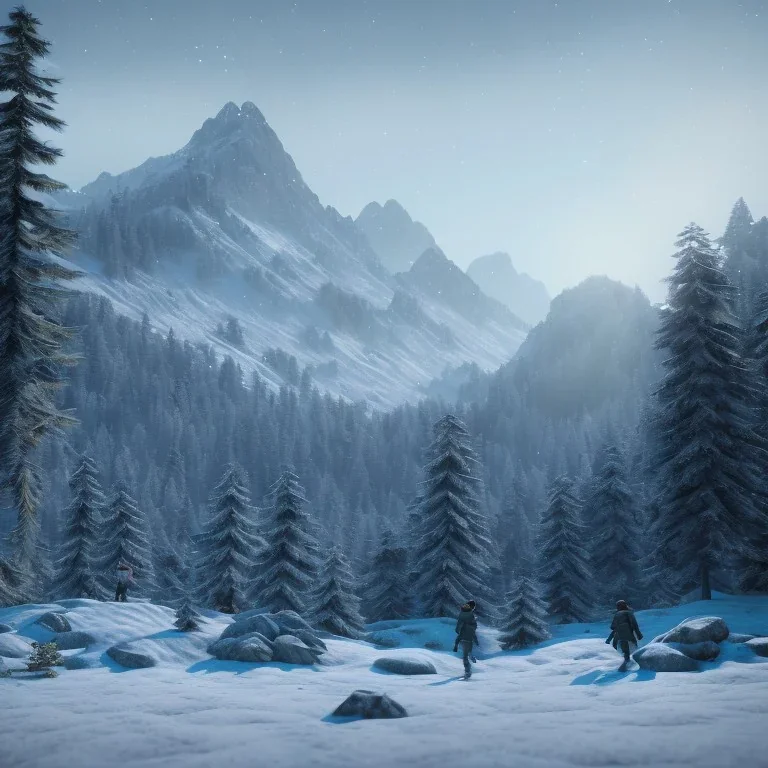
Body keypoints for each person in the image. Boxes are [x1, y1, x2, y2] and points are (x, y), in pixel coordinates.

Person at [606, 599, 643, 671]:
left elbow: (612, 627)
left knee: (625, 651)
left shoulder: (617, 614)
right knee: (635, 647)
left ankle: (625, 666)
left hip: (620, 635)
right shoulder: (629, 613)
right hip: (629, 633)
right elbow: (635, 625)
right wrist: (639, 635)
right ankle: (635, 663)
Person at [453, 600, 480, 679]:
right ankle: (468, 668)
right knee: (466, 654)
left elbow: (458, 626)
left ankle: (468, 670)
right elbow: (473, 628)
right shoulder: (471, 615)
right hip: (468, 637)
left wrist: (458, 631)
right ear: (472, 607)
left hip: (463, 637)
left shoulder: (463, 613)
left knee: (465, 655)